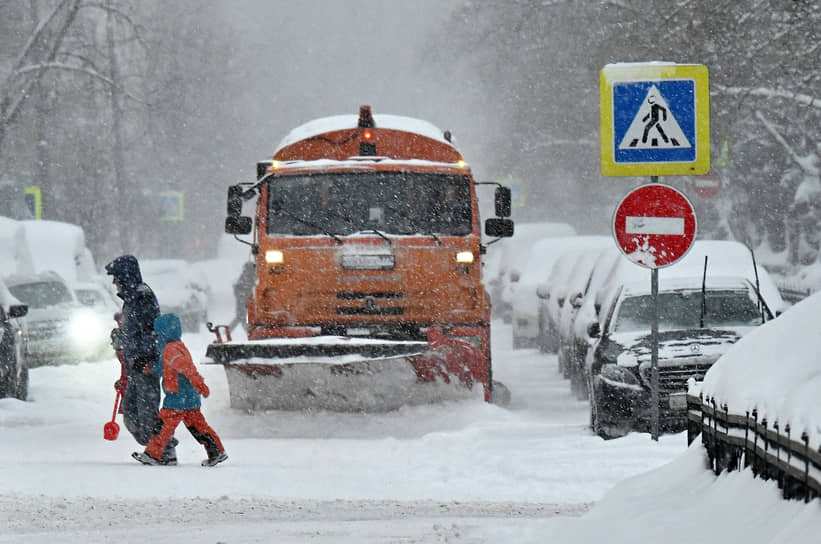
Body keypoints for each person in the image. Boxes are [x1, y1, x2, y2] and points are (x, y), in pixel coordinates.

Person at [105, 255, 177, 465]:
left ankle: (164, 450)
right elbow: (134, 332)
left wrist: (144, 356)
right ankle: (158, 446)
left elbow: (150, 331)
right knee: (131, 414)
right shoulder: (130, 300)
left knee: (147, 414)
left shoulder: (142, 298)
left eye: (116, 277)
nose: (113, 282)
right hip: (133, 365)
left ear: (125, 276)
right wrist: (121, 339)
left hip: (144, 365)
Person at [132, 313, 227, 467]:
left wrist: (200, 384)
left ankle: (152, 455)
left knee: (162, 427)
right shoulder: (175, 346)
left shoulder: (171, 349)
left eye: (157, 332)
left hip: (177, 398)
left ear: (164, 332)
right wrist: (148, 368)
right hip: (188, 398)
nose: (155, 336)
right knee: (198, 427)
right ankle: (216, 451)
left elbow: (187, 369)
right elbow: (165, 368)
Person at [229, 260, 255, 332]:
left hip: (242, 298)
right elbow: (247, 287)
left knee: (241, 316)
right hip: (243, 298)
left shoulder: (246, 275)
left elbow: (242, 287)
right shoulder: (249, 276)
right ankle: (248, 331)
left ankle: (229, 330)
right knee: (241, 316)